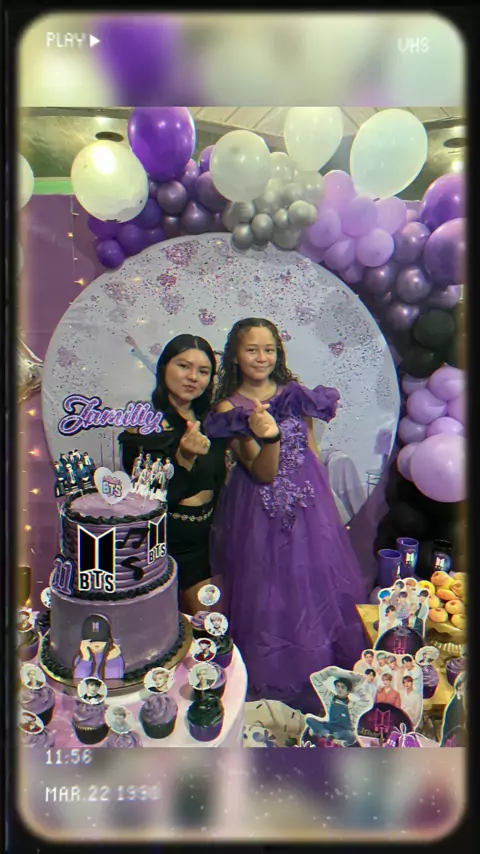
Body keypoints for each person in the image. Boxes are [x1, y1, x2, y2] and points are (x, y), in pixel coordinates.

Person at [204, 318, 366, 713]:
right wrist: (266, 433)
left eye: (269, 349)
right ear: (235, 356)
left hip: (308, 503)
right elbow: (260, 470)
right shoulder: (229, 408)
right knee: (267, 591)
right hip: (259, 509)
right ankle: (275, 676)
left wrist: (323, 505)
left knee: (312, 584)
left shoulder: (295, 394)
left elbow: (311, 449)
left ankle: (320, 670)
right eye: (252, 350)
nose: (262, 357)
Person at [118, 334, 227, 614]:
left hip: (206, 547)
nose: (193, 377)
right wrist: (184, 457)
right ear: (164, 367)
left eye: (203, 371)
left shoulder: (213, 423)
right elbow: (148, 499)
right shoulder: (143, 427)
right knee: (161, 629)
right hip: (159, 548)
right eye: (183, 366)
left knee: (209, 626)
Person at [307, 669, 371, 746]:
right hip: (330, 729)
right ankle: (328, 736)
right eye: (338, 686)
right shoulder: (329, 697)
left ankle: (327, 735)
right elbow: (315, 679)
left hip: (343, 732)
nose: (339, 689)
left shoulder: (353, 706)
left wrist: (356, 688)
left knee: (351, 736)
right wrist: (331, 672)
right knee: (309, 720)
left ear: (348, 692)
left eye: (343, 687)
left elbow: (367, 702)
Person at [73, 615, 124, 681]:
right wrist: (85, 660)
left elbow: (114, 684)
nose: (97, 643)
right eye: (92, 640)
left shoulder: (116, 658)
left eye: (101, 639)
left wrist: (111, 661)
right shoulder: (80, 659)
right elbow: (78, 683)